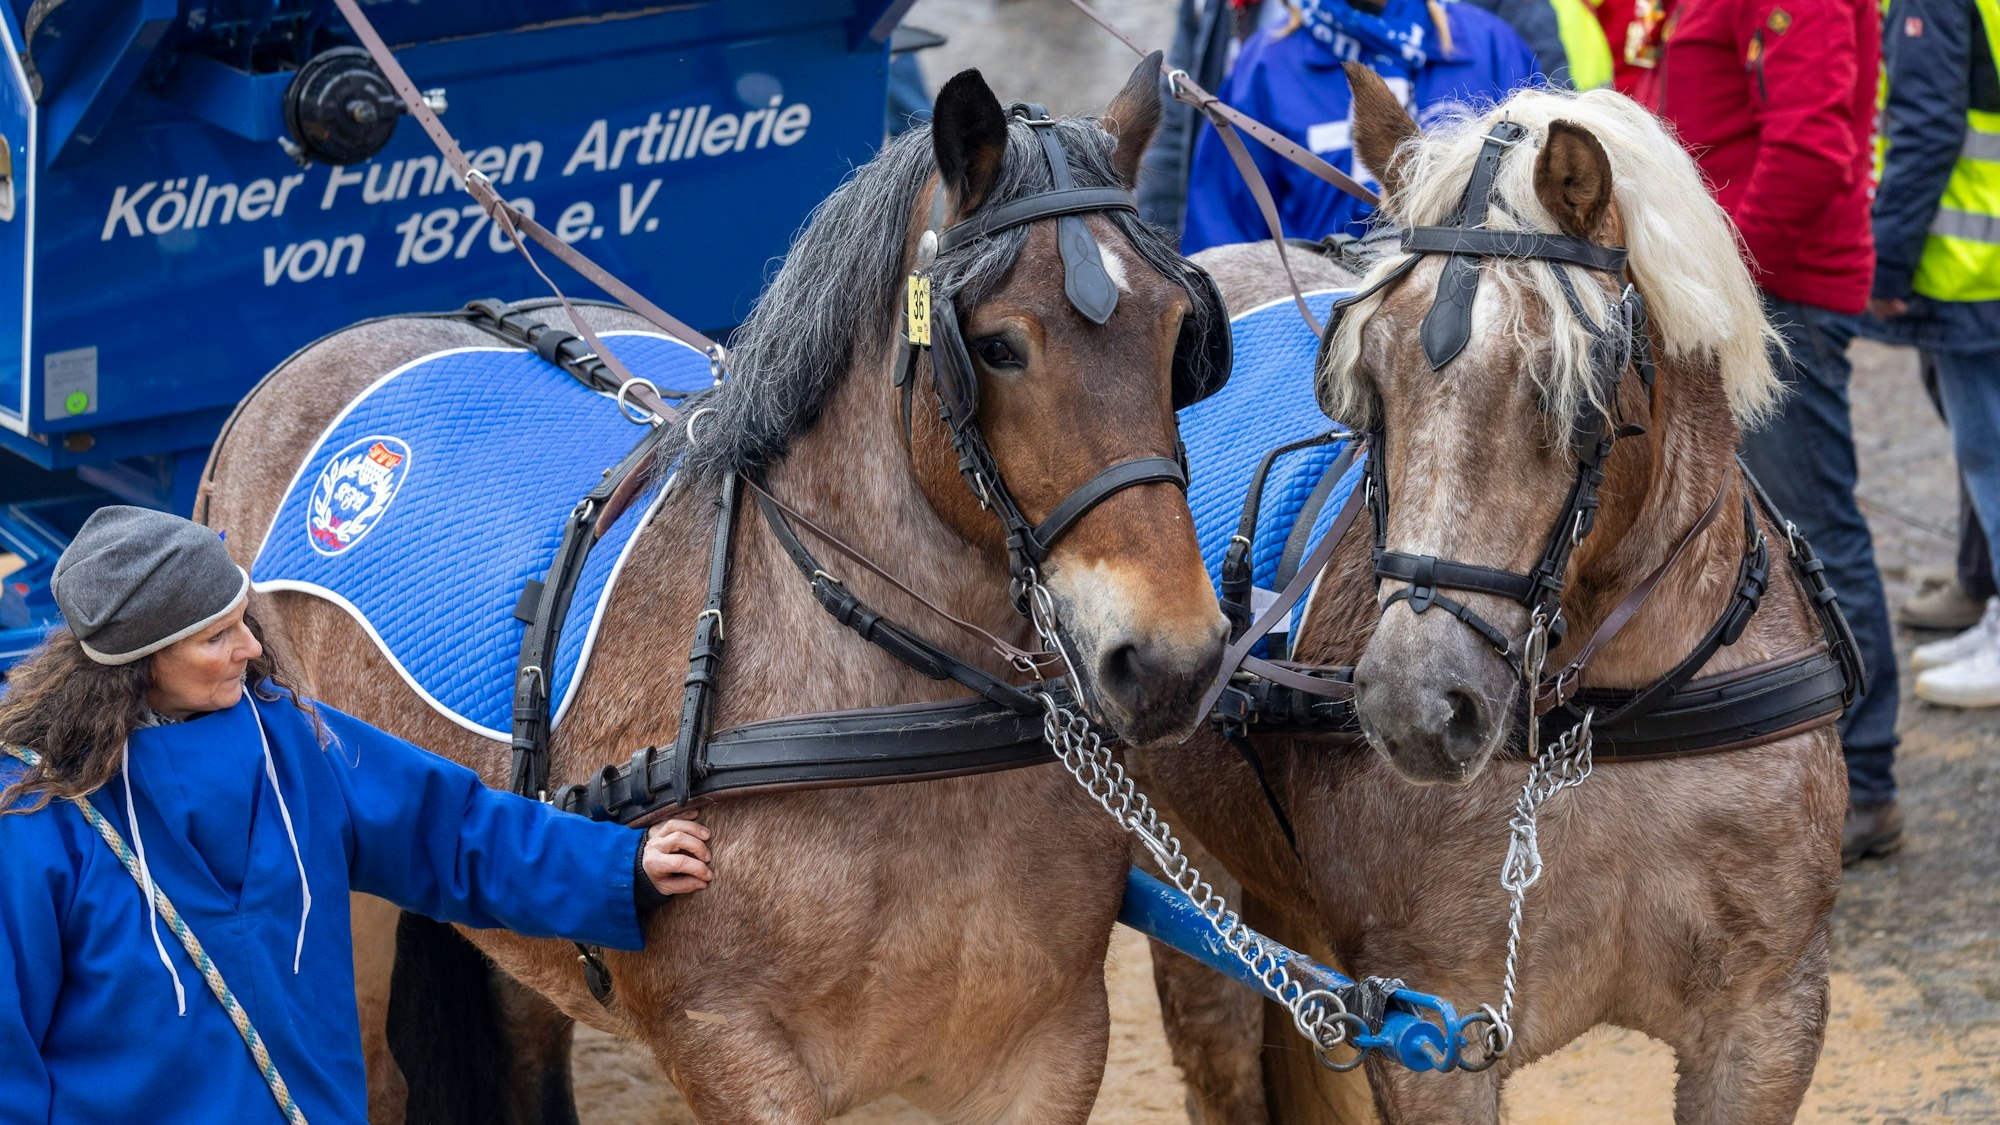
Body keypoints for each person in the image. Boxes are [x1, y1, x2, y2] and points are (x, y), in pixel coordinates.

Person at [0, 506, 715, 1123]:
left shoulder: (297, 744)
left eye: (243, 619)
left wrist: (618, 866)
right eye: (216, 637)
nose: (252, 647)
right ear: (137, 663)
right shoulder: (34, 822)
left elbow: (453, 831)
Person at [1646, 0, 1899, 863]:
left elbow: (1811, 148)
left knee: (1813, 532)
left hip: (1774, 296)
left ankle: (1861, 781)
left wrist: (1720, 288)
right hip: (1752, 291)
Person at [1862, 0, 2000, 708]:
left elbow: (1925, 128)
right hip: (1984, 259)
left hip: (1972, 264)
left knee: (1989, 451)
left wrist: (1886, 261)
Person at [1179, 0, 1541, 253]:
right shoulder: (1265, 66)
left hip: (1469, 317)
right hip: (1315, 324)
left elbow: (1545, 205)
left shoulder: (1491, 46)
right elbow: (1224, 233)